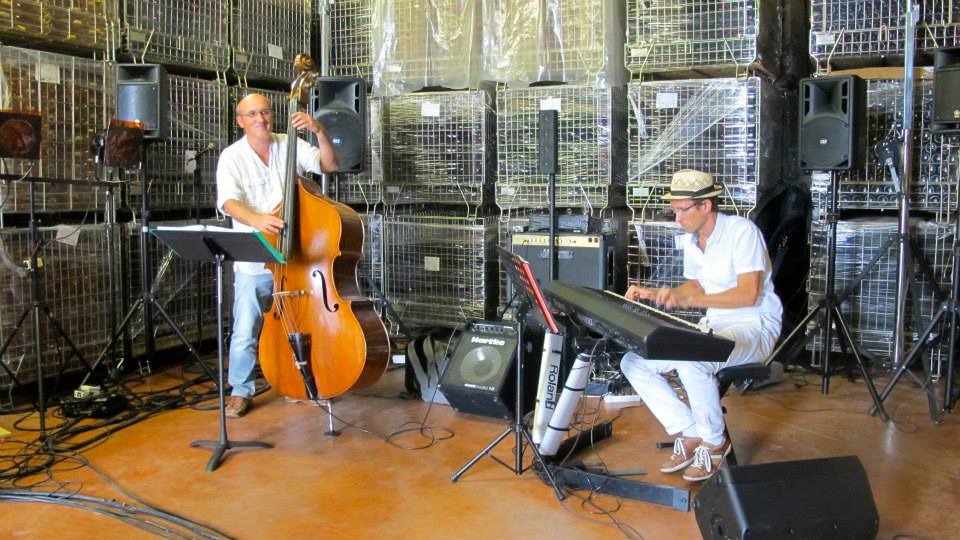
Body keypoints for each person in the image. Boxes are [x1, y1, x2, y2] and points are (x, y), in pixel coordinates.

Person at [620, 169, 782, 482]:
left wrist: (689, 301)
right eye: (675, 210)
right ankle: (690, 431)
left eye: (682, 210)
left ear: (705, 206)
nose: (677, 217)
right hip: (716, 326)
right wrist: (658, 294)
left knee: (693, 359)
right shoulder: (692, 241)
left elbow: (748, 294)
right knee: (635, 361)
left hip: (754, 327)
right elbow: (694, 286)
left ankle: (715, 442)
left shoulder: (741, 232)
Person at [216, 93, 339, 418]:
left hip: (299, 256)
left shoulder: (292, 143)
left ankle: (302, 380)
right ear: (240, 120)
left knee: (303, 320)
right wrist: (257, 220)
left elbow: (329, 164)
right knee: (247, 327)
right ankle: (240, 390)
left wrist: (319, 132)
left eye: (266, 112)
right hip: (257, 256)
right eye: (252, 114)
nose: (261, 119)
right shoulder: (232, 157)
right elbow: (228, 201)